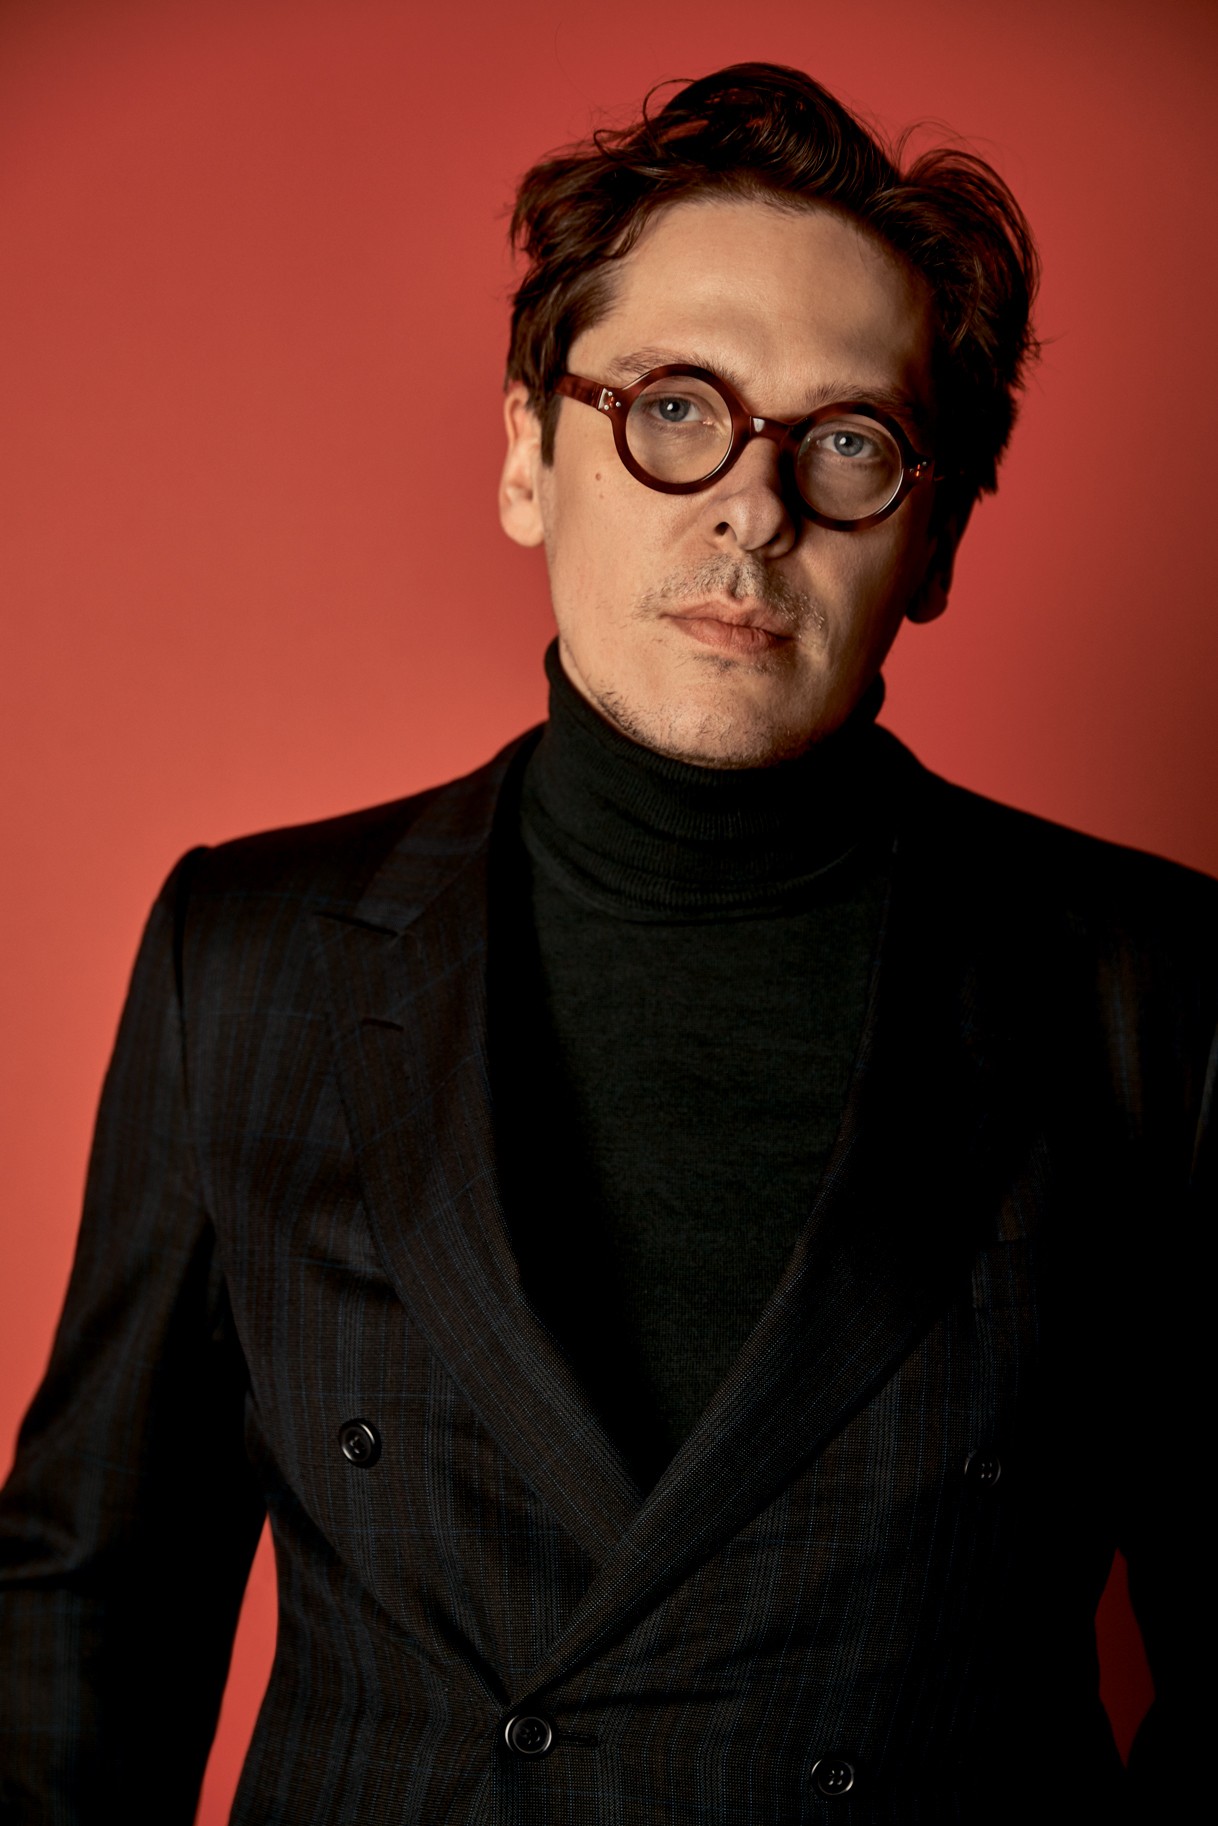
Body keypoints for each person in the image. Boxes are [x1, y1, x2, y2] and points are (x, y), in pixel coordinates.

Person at [0, 61, 1209, 1825]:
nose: (751, 505)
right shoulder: (248, 954)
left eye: (847, 442)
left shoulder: (1147, 991)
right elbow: (83, 1620)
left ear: (934, 540)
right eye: (672, 407)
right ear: (526, 455)